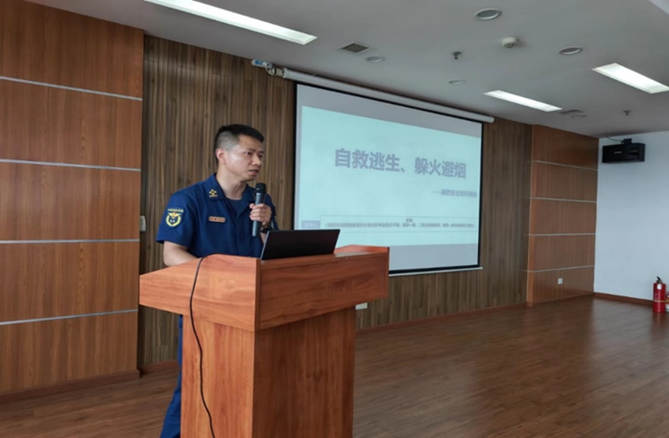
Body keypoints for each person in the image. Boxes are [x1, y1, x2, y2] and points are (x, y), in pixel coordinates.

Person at [156, 124, 278, 438]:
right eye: (248, 153)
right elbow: (172, 254)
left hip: (253, 307)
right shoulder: (189, 199)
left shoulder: (261, 202)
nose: (257, 161)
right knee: (196, 383)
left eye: (260, 155)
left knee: (246, 384)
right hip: (207, 308)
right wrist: (224, 279)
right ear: (221, 155)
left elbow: (272, 253)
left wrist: (266, 227)